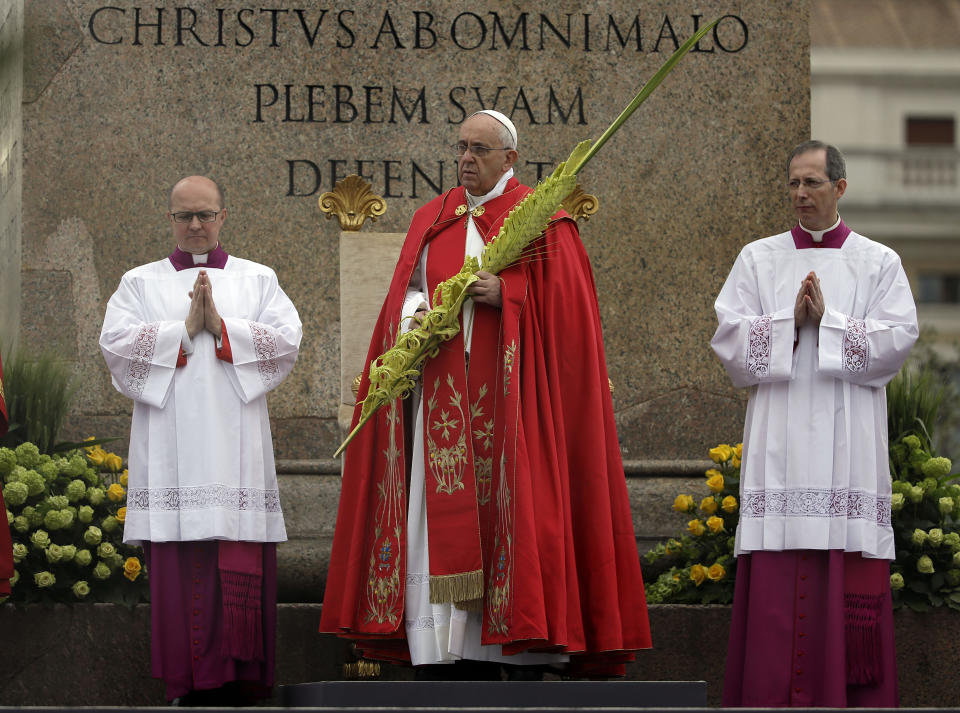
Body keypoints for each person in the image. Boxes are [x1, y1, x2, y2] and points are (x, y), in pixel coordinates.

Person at [320, 110, 651, 678]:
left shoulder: (545, 220)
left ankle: (516, 641)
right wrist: (415, 316)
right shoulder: (434, 217)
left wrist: (509, 295)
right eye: (461, 148)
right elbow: (405, 295)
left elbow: (573, 323)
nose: (466, 159)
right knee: (433, 519)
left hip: (514, 407)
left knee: (518, 515)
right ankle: (442, 647)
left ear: (510, 159)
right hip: (441, 403)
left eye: (479, 149)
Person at [712, 141, 918, 707]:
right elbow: (729, 342)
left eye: (813, 184)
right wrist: (788, 322)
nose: (801, 195)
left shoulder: (879, 263)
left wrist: (831, 322)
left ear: (840, 189)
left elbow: (897, 342)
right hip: (778, 445)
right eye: (794, 184)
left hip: (846, 447)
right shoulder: (759, 258)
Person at [99, 176, 302, 705]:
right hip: (171, 456)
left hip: (237, 455)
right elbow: (117, 351)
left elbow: (285, 343)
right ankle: (185, 685)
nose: (195, 225)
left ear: (223, 216)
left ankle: (239, 683)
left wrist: (224, 327)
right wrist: (183, 331)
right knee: (179, 569)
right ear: (170, 219)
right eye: (184, 216)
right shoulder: (138, 284)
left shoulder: (258, 280)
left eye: (205, 215)